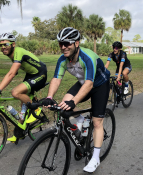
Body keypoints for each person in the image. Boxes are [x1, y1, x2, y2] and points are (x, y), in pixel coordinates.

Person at [42, 27, 110, 173]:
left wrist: (74, 101)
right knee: (63, 104)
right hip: (82, 82)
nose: (63, 47)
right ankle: (81, 119)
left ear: (77, 43)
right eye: (60, 43)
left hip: (99, 84)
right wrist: (49, 97)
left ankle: (96, 157)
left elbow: (89, 83)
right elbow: (56, 78)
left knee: (97, 122)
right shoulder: (63, 59)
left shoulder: (87, 57)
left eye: (67, 43)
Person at [0, 33, 47, 142]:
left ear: (13, 44)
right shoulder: (11, 54)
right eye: (1, 45)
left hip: (40, 74)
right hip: (30, 74)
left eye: (6, 44)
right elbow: (15, 71)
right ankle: (20, 133)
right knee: (22, 105)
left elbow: (11, 74)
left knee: (15, 92)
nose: (3, 47)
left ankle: (36, 107)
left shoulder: (18, 52)